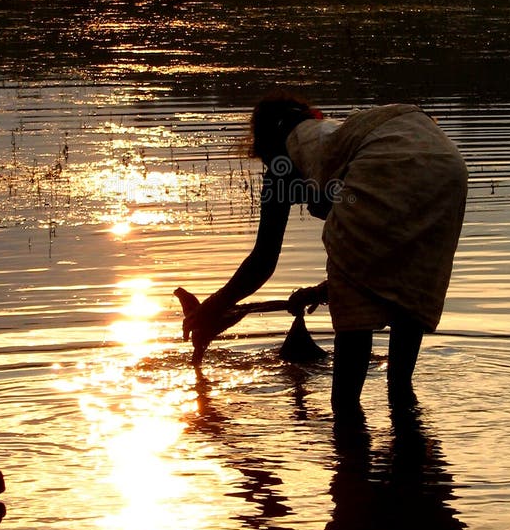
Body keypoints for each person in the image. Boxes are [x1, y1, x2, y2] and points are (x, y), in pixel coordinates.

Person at [182, 90, 468, 413]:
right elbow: (382, 254)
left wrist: (208, 310)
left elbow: (263, 261)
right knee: (400, 383)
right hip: (447, 167)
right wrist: (320, 292)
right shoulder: (337, 139)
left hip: (398, 158)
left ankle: (352, 453)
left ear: (268, 141)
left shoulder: (284, 156)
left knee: (345, 400)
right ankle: (408, 455)